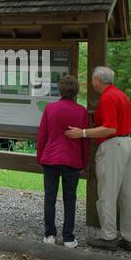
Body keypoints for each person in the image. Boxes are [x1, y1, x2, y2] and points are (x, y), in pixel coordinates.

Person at [65, 66, 131, 252]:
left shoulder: (107, 97)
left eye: (92, 79)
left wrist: (82, 133)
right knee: (127, 193)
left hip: (113, 146)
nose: (91, 82)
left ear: (98, 79)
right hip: (128, 143)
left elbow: (110, 128)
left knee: (107, 192)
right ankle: (130, 237)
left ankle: (108, 236)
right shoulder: (121, 95)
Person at [37, 75, 90, 248]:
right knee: (70, 199)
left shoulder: (50, 108)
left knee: (50, 197)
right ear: (76, 91)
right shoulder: (81, 111)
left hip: (51, 158)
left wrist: (40, 157)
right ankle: (68, 237)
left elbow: (42, 136)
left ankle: (50, 235)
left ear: (59, 90)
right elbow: (85, 140)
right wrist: (84, 161)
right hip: (72, 160)